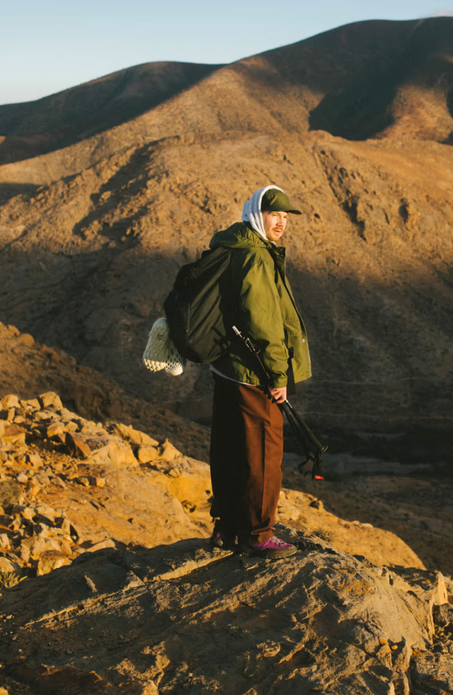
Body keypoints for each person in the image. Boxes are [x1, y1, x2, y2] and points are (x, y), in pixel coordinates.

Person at [208, 185, 312, 559]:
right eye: (275, 215)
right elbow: (263, 320)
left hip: (227, 368)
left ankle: (227, 526)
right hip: (254, 372)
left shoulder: (232, 245)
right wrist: (278, 373)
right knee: (264, 451)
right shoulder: (255, 255)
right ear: (257, 214)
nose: (281, 222)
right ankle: (258, 533)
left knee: (230, 446)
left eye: (285, 216)